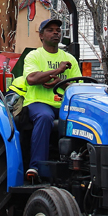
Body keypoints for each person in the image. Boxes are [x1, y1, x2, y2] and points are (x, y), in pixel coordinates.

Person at [23, 18, 81, 182]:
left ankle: (78, 166)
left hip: (64, 105)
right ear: (41, 36)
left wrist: (60, 83)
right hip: (38, 103)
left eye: (58, 30)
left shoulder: (70, 58)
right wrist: (58, 70)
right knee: (44, 117)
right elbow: (32, 79)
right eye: (50, 30)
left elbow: (78, 87)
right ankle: (36, 167)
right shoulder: (33, 56)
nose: (55, 32)